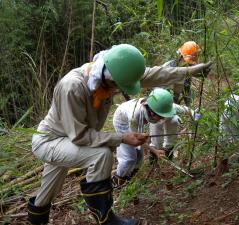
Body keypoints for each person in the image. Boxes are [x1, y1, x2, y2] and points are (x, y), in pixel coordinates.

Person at [27, 43, 212, 225]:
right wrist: (122, 138)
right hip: (52, 141)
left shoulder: (113, 73)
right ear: (108, 78)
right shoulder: (72, 87)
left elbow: (156, 74)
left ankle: (35, 221)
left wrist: (190, 71)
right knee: (100, 155)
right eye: (117, 87)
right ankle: (107, 219)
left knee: (47, 194)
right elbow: (79, 136)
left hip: (67, 141)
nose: (118, 91)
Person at [112, 88, 176, 187]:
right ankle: (116, 182)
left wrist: (191, 112)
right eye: (161, 116)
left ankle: (130, 178)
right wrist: (154, 151)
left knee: (140, 158)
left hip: (130, 121)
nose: (163, 118)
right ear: (152, 112)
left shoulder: (158, 105)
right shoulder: (135, 117)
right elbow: (136, 140)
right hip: (122, 123)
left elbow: (176, 108)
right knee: (129, 159)